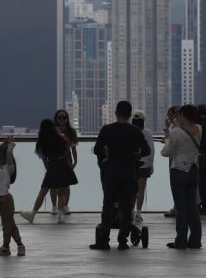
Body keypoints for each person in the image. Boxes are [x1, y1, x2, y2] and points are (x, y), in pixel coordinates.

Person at [90, 100, 150, 250]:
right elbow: (146, 150)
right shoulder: (135, 131)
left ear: (116, 113)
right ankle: (123, 241)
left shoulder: (107, 129)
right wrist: (135, 155)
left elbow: (97, 149)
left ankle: (103, 241)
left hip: (112, 172)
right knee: (127, 206)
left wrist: (107, 156)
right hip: (129, 173)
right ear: (130, 115)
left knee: (108, 205)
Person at [20, 117, 78, 224]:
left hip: (53, 166)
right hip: (65, 164)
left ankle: (32, 214)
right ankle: (60, 216)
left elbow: (44, 160)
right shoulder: (60, 137)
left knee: (43, 191)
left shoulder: (41, 141)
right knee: (61, 191)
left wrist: (49, 170)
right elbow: (71, 144)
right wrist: (60, 134)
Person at [161, 104, 203, 249]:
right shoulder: (199, 128)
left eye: (179, 115)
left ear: (183, 116)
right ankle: (195, 240)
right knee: (192, 206)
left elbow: (166, 152)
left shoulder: (177, 132)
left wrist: (167, 139)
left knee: (181, 208)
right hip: (193, 170)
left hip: (179, 171)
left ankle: (181, 240)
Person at [0, 138, 25, 257]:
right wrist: (4, 143)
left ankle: (6, 247)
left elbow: (9, 153)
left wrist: (9, 145)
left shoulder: (8, 167)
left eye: (1, 157)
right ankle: (20, 246)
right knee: (10, 224)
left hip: (5, 199)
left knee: (7, 225)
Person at [54, 109, 79, 216]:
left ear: (67, 119)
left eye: (64, 117)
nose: (61, 119)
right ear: (56, 119)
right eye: (59, 117)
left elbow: (73, 147)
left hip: (67, 159)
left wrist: (75, 161)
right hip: (55, 159)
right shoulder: (53, 130)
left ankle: (65, 206)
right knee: (55, 184)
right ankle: (55, 207)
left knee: (66, 184)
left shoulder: (71, 131)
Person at [132, 109, 155, 223]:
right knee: (141, 190)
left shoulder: (128, 130)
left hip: (130, 164)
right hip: (145, 164)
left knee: (131, 190)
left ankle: (130, 212)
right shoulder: (147, 133)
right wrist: (151, 166)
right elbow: (151, 151)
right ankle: (138, 213)